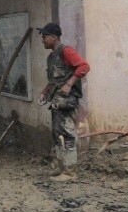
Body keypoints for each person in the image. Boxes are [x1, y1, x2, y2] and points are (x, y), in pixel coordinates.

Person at [36, 22, 90, 181]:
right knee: (57, 133)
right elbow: (54, 80)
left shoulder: (66, 51)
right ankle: (63, 168)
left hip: (67, 101)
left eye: (45, 37)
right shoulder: (52, 56)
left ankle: (70, 172)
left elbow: (84, 66)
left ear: (54, 37)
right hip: (57, 100)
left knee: (66, 134)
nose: (43, 40)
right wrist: (44, 92)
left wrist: (69, 84)